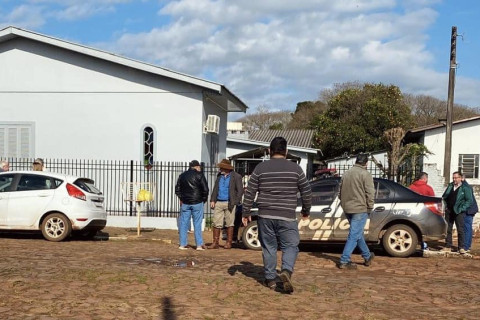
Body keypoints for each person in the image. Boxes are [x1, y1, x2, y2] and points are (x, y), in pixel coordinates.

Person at [242, 137, 311, 293]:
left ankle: (271, 279)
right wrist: (305, 211)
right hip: (287, 215)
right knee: (291, 246)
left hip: (265, 215)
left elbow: (250, 192)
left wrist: (246, 212)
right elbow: (306, 192)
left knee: (269, 247)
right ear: (286, 151)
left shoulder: (260, 168)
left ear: (269, 151)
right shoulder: (296, 169)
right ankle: (286, 270)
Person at [337, 153, 375, 269]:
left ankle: (367, 255)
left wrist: (344, 202)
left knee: (357, 233)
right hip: (360, 208)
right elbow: (370, 192)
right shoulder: (365, 174)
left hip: (347, 207)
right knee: (354, 234)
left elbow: (339, 191)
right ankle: (344, 260)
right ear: (366, 163)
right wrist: (370, 206)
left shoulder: (346, 173)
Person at [209, 159, 243, 249]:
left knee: (229, 223)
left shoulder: (236, 176)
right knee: (216, 223)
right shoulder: (219, 176)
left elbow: (240, 191)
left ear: (226, 168)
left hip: (230, 202)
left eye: (221, 167)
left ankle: (229, 242)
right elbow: (215, 188)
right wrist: (213, 200)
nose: (220, 169)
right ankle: (215, 242)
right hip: (219, 202)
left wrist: (235, 202)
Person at [175, 160, 209, 250]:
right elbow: (205, 189)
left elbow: (177, 190)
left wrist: (182, 198)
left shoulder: (182, 176)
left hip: (185, 202)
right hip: (197, 202)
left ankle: (182, 244)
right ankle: (199, 245)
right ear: (196, 166)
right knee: (197, 223)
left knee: (183, 223)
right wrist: (203, 200)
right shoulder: (200, 175)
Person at [441, 171, 473, 254]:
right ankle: (448, 246)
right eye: (453, 178)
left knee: (460, 229)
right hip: (449, 211)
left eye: (456, 177)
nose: (454, 179)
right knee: (448, 229)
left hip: (458, 211)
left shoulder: (465, 188)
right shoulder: (450, 185)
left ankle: (461, 247)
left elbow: (469, 201)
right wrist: (445, 207)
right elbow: (444, 196)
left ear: (460, 178)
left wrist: (462, 208)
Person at [462, 177, 478, 253]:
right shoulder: (466, 186)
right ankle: (467, 246)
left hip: (468, 210)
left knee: (467, 228)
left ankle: (466, 246)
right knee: (468, 228)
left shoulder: (465, 187)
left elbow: (468, 200)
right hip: (471, 210)